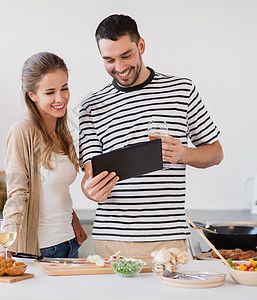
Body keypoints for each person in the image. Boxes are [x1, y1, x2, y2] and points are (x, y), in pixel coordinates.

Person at [79, 14, 224, 258]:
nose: (120, 67)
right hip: (112, 241)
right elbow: (88, 177)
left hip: (168, 240)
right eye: (109, 60)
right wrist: (90, 191)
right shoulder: (91, 107)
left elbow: (216, 153)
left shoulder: (182, 90)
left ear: (141, 46)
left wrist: (183, 154)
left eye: (126, 55)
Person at [2, 52, 87, 258]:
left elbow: (54, 188)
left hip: (69, 244)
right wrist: (6, 245)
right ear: (32, 95)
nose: (61, 98)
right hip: (40, 250)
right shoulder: (22, 131)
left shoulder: (63, 132)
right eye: (50, 92)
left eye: (64, 88)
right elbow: (17, 193)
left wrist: (74, 220)